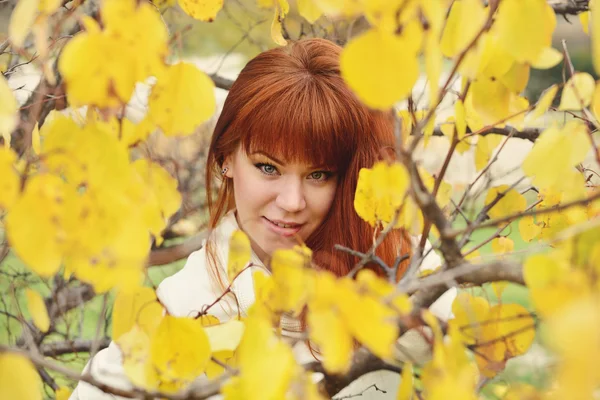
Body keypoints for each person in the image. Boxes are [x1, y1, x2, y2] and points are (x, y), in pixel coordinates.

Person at [71, 38, 456, 399]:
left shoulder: (382, 261)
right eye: (268, 167)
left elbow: (469, 347)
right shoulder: (189, 307)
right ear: (226, 159)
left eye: (318, 174)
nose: (291, 202)